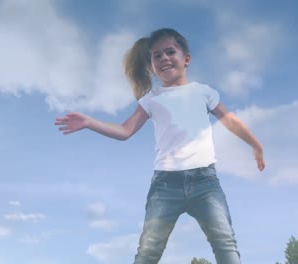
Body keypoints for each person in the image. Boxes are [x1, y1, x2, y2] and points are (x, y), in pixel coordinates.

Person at [55, 28, 265, 264]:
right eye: (157, 56)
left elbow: (230, 121)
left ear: (186, 59)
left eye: (170, 52)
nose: (164, 58)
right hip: (165, 186)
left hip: (205, 183)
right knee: (148, 251)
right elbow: (125, 131)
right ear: (151, 67)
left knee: (225, 242)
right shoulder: (151, 99)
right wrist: (89, 122)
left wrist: (255, 145)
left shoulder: (203, 92)